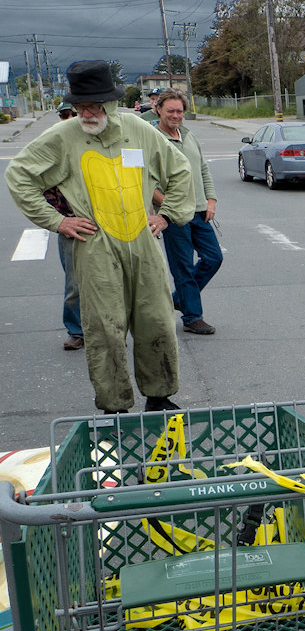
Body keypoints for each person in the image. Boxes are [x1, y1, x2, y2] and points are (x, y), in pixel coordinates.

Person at [5, 60, 195, 414]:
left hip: (142, 241)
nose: (87, 114)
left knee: (156, 320)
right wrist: (57, 221)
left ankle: (159, 396)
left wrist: (167, 215)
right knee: (105, 330)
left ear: (111, 102)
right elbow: (18, 175)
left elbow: (179, 169)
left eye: (94, 106)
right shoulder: (63, 136)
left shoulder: (137, 129)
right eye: (80, 106)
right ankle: (114, 406)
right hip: (95, 246)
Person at [153, 88, 222, 335]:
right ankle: (193, 317)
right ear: (158, 109)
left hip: (200, 211)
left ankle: (179, 298)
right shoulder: (152, 139)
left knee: (214, 258)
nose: (175, 115)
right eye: (170, 110)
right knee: (182, 266)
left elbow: (203, 169)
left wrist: (211, 200)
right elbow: (147, 183)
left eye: (179, 111)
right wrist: (169, 207)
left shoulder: (189, 136)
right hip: (173, 215)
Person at [48, 103, 85, 350]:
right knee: (74, 284)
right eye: (64, 115)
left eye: (74, 114)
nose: (69, 118)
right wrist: (62, 218)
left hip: (104, 223)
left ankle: (109, 328)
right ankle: (76, 330)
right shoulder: (54, 146)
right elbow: (42, 185)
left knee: (110, 280)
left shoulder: (94, 143)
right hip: (71, 226)